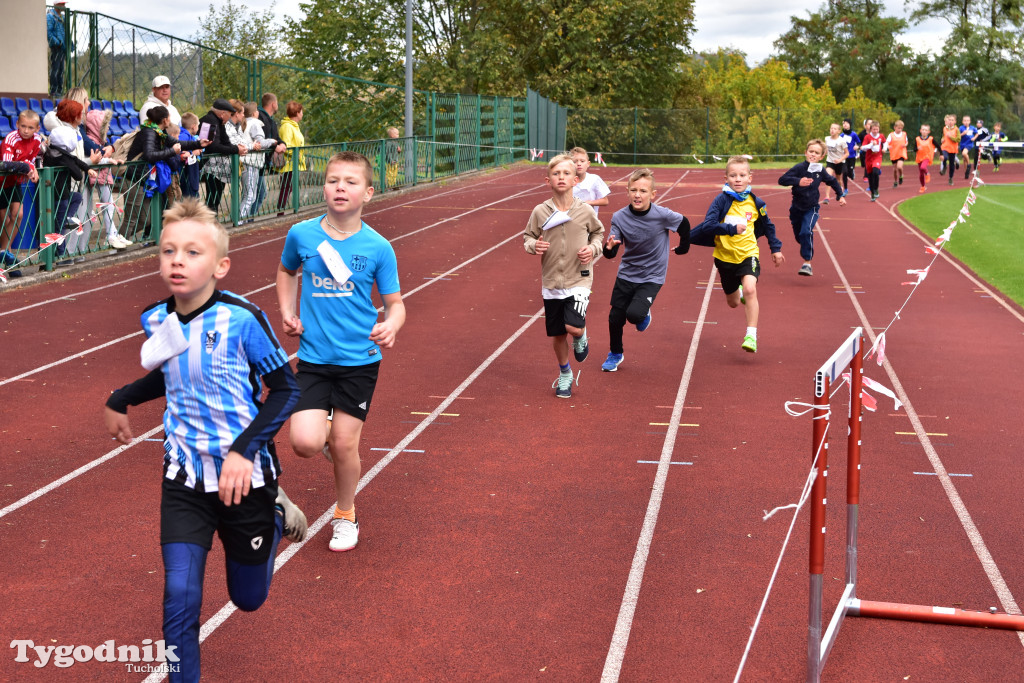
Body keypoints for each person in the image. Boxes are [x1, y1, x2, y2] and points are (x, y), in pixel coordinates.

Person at [104, 198, 307, 682]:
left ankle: (277, 515)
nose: (177, 260)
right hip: (184, 477)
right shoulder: (156, 319)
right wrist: (122, 397)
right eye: (168, 250)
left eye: (192, 252)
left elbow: (285, 389)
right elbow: (172, 375)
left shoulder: (242, 319)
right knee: (180, 597)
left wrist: (243, 450)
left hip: (246, 480)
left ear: (220, 265)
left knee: (248, 599)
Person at [277, 151, 405, 553]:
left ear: (368, 193)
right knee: (304, 443)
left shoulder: (379, 247)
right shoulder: (302, 234)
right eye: (333, 180)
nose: (340, 188)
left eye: (350, 182)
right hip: (314, 359)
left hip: (359, 361)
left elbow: (396, 303)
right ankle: (331, 439)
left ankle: (345, 515)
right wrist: (287, 311)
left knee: (347, 445)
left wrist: (391, 324)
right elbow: (286, 271)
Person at [523, 154, 605, 398]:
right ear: (547, 180)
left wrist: (592, 249)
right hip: (551, 281)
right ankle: (565, 373)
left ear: (576, 180)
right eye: (556, 174)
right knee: (558, 333)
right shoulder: (540, 211)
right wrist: (533, 246)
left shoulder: (585, 210)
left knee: (572, 325)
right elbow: (528, 236)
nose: (561, 177)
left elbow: (598, 234)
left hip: (579, 279)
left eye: (566, 173)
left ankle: (581, 334)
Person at [690, 155, 784, 353]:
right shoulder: (721, 200)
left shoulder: (757, 203)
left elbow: (768, 226)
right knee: (733, 302)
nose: (738, 179)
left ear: (750, 177)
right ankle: (738, 293)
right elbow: (708, 226)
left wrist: (775, 249)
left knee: (751, 289)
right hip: (725, 258)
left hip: (748, 254)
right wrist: (730, 229)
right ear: (726, 178)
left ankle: (751, 335)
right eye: (733, 176)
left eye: (742, 175)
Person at [599, 168, 690, 372]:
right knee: (615, 318)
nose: (637, 195)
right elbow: (611, 251)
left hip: (652, 275)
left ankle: (643, 313)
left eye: (642, 191)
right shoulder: (619, 217)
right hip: (627, 273)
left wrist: (684, 246)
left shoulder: (662, 215)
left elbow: (684, 224)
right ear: (628, 191)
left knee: (634, 315)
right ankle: (615, 353)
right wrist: (608, 249)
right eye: (633, 190)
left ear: (652, 194)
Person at [122, 105, 207, 244]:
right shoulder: (149, 133)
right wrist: (172, 152)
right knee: (132, 217)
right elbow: (150, 155)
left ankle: (121, 238)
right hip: (133, 178)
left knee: (146, 219)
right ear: (165, 120)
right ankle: (118, 242)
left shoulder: (159, 133)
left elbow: (178, 142)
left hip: (144, 179)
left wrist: (199, 143)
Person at [778, 139, 845, 276]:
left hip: (812, 208)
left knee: (806, 231)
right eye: (811, 152)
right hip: (796, 208)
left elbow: (832, 181)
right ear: (806, 153)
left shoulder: (820, 170)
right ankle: (805, 246)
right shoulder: (799, 168)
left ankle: (807, 263)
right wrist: (798, 181)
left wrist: (840, 195)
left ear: (821, 157)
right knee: (800, 236)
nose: (813, 154)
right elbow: (782, 180)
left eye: (817, 153)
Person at [43, 122, 97, 266]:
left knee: (77, 197)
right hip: (60, 196)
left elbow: (76, 160)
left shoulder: (50, 151)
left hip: (51, 195)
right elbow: (77, 175)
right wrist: (80, 171)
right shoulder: (63, 157)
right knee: (60, 227)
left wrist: (87, 168)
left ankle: (68, 218)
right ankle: (61, 256)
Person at [0, 111, 43, 267]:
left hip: (14, 182)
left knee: (18, 215)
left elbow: (31, 160)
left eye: (30, 127)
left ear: (37, 128)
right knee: (4, 221)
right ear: (17, 124)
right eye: (23, 126)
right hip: (1, 182)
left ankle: (4, 253)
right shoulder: (11, 139)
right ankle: (7, 259)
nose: (26, 130)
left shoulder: (38, 140)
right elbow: (7, 165)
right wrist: (28, 167)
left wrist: (33, 167)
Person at [85, 108, 131, 249]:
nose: (109, 127)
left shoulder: (99, 141)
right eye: (106, 125)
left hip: (102, 176)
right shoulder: (92, 142)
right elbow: (96, 160)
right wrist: (108, 160)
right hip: (97, 176)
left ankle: (113, 233)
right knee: (107, 205)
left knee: (109, 205)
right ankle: (111, 235)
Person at [198, 98, 246, 212]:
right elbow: (213, 146)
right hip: (208, 165)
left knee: (216, 197)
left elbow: (225, 141)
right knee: (212, 197)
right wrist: (235, 149)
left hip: (216, 167)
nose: (230, 117)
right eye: (229, 114)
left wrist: (235, 148)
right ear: (222, 113)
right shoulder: (209, 122)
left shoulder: (218, 122)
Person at [242, 101, 282, 220]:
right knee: (250, 195)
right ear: (255, 113)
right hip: (251, 161)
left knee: (249, 194)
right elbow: (260, 142)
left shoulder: (243, 123)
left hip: (245, 161)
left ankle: (243, 219)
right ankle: (241, 220)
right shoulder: (255, 124)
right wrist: (272, 142)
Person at [254, 93, 284, 216]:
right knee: (258, 193)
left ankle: (248, 218)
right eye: (276, 103)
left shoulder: (271, 121)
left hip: (263, 162)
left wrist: (282, 144)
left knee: (259, 193)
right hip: (256, 161)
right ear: (273, 104)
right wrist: (274, 146)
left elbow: (276, 137)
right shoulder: (259, 118)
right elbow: (262, 139)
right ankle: (246, 219)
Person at [276, 101, 305, 212]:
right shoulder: (287, 126)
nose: (302, 114)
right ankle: (281, 210)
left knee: (290, 186)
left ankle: (293, 207)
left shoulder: (294, 126)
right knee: (286, 186)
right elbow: (286, 144)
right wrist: (295, 153)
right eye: (301, 111)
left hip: (295, 163)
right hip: (289, 163)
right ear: (297, 113)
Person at [570, 146, 610, 215]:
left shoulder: (594, 179)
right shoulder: (567, 180)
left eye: (582, 161)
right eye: (575, 161)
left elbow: (605, 201)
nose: (579, 164)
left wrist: (589, 203)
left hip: (590, 221)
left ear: (588, 164)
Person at [177, 112, 203, 198]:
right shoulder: (183, 136)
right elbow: (182, 154)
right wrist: (193, 153)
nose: (198, 128)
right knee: (189, 197)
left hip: (190, 172)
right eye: (198, 125)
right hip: (185, 174)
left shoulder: (190, 136)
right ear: (193, 126)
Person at [46, 1, 68, 98]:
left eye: (64, 4)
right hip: (56, 46)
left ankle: (60, 90)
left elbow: (66, 32)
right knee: (55, 69)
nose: (63, 6)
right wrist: (57, 42)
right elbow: (49, 32)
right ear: (56, 5)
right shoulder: (50, 16)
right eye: (61, 4)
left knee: (61, 69)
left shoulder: (63, 17)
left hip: (63, 47)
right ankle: (53, 91)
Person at [823, 123, 848, 204]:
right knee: (828, 177)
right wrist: (823, 154)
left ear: (839, 131)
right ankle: (827, 197)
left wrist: (840, 160)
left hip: (839, 162)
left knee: (838, 179)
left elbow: (847, 153)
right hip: (830, 161)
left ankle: (840, 190)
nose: (832, 130)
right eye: (831, 128)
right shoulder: (827, 139)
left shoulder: (842, 141)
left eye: (834, 129)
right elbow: (826, 150)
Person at [861, 121, 884, 201]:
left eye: (877, 129)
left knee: (875, 172)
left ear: (879, 129)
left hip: (877, 157)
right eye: (874, 129)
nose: (875, 131)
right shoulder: (867, 137)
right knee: (870, 176)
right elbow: (863, 148)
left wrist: (884, 149)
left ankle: (876, 189)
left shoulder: (881, 136)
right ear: (871, 129)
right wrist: (871, 145)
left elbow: (885, 142)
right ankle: (872, 193)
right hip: (869, 158)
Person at [885, 119, 909, 188]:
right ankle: (895, 181)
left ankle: (901, 175)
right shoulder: (891, 135)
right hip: (894, 154)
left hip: (901, 153)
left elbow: (906, 141)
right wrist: (888, 146)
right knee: (895, 169)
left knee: (899, 167)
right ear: (895, 127)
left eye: (901, 128)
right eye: (898, 128)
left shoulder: (904, 134)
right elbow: (887, 142)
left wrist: (905, 145)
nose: (900, 129)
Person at [914, 124, 936, 194]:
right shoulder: (917, 139)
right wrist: (917, 148)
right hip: (919, 157)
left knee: (923, 167)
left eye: (925, 130)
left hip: (927, 156)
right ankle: (923, 186)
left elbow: (938, 146)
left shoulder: (931, 139)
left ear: (928, 132)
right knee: (920, 174)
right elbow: (914, 149)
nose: (924, 131)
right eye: (923, 130)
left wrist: (941, 154)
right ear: (920, 131)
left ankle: (927, 173)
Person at [939, 115, 961, 186]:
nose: (950, 121)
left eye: (952, 120)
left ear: (955, 121)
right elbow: (944, 136)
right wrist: (942, 139)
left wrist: (951, 137)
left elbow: (958, 139)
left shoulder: (956, 129)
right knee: (944, 157)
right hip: (945, 147)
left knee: (952, 164)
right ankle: (944, 166)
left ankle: (951, 178)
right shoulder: (945, 128)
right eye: (949, 120)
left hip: (953, 149)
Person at [841, 119, 860, 193]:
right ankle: (845, 189)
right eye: (844, 123)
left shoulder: (853, 134)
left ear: (850, 125)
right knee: (844, 172)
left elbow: (859, 143)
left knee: (850, 175)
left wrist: (857, 147)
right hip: (844, 156)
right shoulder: (841, 135)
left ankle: (852, 173)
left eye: (847, 123)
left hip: (852, 156)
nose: (845, 124)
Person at [958, 115, 976, 180]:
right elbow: (957, 136)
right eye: (965, 121)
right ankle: (966, 172)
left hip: (969, 144)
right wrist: (963, 133)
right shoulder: (961, 128)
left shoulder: (972, 128)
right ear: (962, 122)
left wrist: (974, 138)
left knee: (964, 153)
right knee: (964, 159)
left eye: (967, 120)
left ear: (970, 121)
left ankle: (969, 164)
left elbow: (977, 133)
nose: (966, 122)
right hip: (962, 144)